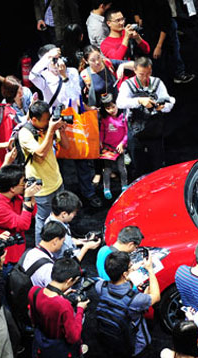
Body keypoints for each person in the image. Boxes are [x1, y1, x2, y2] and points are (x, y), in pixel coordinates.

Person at [30, 45, 103, 209]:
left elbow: (75, 96)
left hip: (74, 119)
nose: (57, 63)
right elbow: (32, 74)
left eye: (58, 58)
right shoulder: (43, 76)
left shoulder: (71, 71)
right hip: (54, 121)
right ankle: (61, 197)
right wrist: (48, 56)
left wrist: (65, 77)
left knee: (82, 159)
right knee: (58, 162)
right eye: (53, 60)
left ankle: (88, 193)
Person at [94, 250, 160, 358]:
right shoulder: (136, 300)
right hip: (137, 348)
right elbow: (155, 296)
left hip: (113, 344)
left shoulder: (100, 287)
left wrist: (129, 274)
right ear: (124, 274)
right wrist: (149, 270)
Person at [28, 257, 88, 358]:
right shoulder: (63, 305)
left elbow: (34, 317)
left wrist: (61, 295)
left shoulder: (34, 291)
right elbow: (73, 337)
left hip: (41, 345)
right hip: (60, 352)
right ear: (69, 281)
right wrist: (80, 309)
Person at [17, 100, 69, 244]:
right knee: (43, 222)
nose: (48, 123)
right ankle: (42, 251)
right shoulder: (25, 133)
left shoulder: (47, 127)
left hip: (57, 181)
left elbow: (66, 145)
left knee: (60, 217)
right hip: (41, 188)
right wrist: (51, 130)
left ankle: (62, 243)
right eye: (45, 120)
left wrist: (61, 130)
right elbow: (40, 154)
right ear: (34, 119)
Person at [116, 56, 175, 176]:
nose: (145, 77)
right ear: (135, 71)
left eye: (148, 74)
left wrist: (162, 107)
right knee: (137, 165)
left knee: (157, 164)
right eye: (141, 74)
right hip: (135, 130)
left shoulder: (157, 82)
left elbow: (170, 101)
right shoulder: (127, 85)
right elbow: (120, 102)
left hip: (154, 129)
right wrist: (139, 101)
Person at [0, 164, 41, 265]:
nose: (25, 185)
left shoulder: (15, 197)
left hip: (19, 251)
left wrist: (31, 195)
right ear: (12, 188)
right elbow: (23, 225)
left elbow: (31, 214)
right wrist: (27, 198)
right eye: (22, 183)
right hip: (5, 258)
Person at [133, 0, 195, 84]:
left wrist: (159, 46)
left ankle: (177, 74)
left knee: (171, 51)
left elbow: (165, 25)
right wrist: (137, 14)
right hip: (151, 30)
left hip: (163, 32)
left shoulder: (161, 4)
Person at [45, 190, 101, 260]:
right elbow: (68, 263)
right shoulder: (56, 234)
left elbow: (68, 241)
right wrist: (86, 247)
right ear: (64, 214)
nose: (75, 215)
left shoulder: (53, 219)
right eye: (74, 213)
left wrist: (84, 241)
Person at [99, 93, 129, 199]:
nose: (111, 110)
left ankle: (124, 186)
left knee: (122, 168)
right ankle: (106, 188)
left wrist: (122, 144)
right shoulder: (105, 119)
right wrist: (100, 141)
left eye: (113, 106)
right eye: (108, 108)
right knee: (107, 170)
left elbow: (127, 133)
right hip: (108, 148)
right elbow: (102, 131)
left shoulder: (123, 117)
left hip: (119, 148)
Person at [21, 221, 67, 288]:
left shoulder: (29, 252)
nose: (62, 244)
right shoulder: (48, 268)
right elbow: (52, 294)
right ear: (55, 241)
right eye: (62, 241)